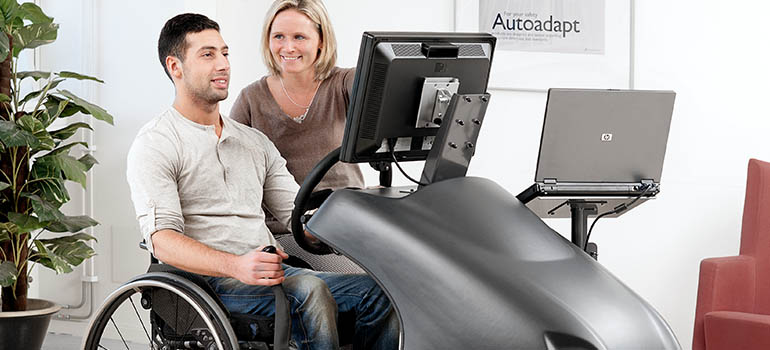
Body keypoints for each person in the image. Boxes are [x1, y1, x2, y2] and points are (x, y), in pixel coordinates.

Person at [126, 13, 397, 350]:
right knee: (309, 293)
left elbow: (295, 217)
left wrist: (366, 226)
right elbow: (163, 241)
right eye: (208, 55)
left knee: (379, 294)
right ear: (175, 67)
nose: (223, 64)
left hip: (274, 274)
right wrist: (237, 265)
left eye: (225, 53)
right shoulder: (156, 143)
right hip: (208, 283)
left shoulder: (254, 143)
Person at [229, 0, 363, 191]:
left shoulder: (342, 82)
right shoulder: (251, 99)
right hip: (282, 217)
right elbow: (231, 169)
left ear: (321, 41)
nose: (288, 47)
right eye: (279, 36)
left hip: (341, 211)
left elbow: (374, 84)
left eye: (299, 37)